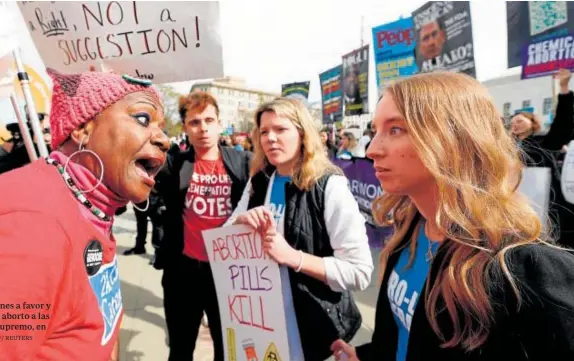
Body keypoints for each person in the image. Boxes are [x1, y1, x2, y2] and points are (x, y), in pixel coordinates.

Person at [0, 70, 170, 360]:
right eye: (142, 118)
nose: (164, 139)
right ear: (83, 128)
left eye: (161, 126)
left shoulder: (86, 205)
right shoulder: (29, 229)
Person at [331, 72, 574, 361]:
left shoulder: (526, 270)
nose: (372, 150)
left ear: (454, 137)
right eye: (376, 130)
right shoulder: (413, 226)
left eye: (395, 129)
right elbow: (404, 333)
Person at [228, 98, 374, 361]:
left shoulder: (329, 186)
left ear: (302, 134)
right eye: (264, 132)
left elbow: (359, 272)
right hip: (264, 323)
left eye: (281, 129)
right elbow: (228, 231)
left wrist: (294, 258)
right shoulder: (259, 180)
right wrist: (242, 221)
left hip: (316, 329)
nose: (270, 138)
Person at [153, 91, 252, 361]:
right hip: (183, 272)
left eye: (209, 120)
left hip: (228, 274)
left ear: (220, 123)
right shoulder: (176, 164)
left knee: (228, 349)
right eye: (195, 122)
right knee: (181, 349)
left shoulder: (242, 162)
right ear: (185, 127)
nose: (203, 128)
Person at [510, 68, 574, 249]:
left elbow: (563, 124)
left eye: (520, 120)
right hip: (518, 206)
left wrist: (563, 88)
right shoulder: (506, 147)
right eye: (513, 121)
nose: (515, 124)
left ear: (533, 122)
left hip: (546, 207)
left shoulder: (542, 142)